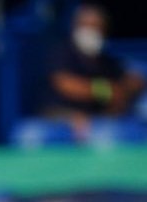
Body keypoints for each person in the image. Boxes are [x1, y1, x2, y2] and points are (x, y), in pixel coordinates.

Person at [45, 3, 145, 140]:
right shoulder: (63, 52)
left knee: (116, 133)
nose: (91, 30)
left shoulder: (107, 61)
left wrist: (126, 89)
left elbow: (129, 84)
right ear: (75, 26)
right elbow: (65, 83)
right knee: (30, 135)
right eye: (86, 25)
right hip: (58, 119)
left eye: (96, 26)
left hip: (96, 122)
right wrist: (107, 91)